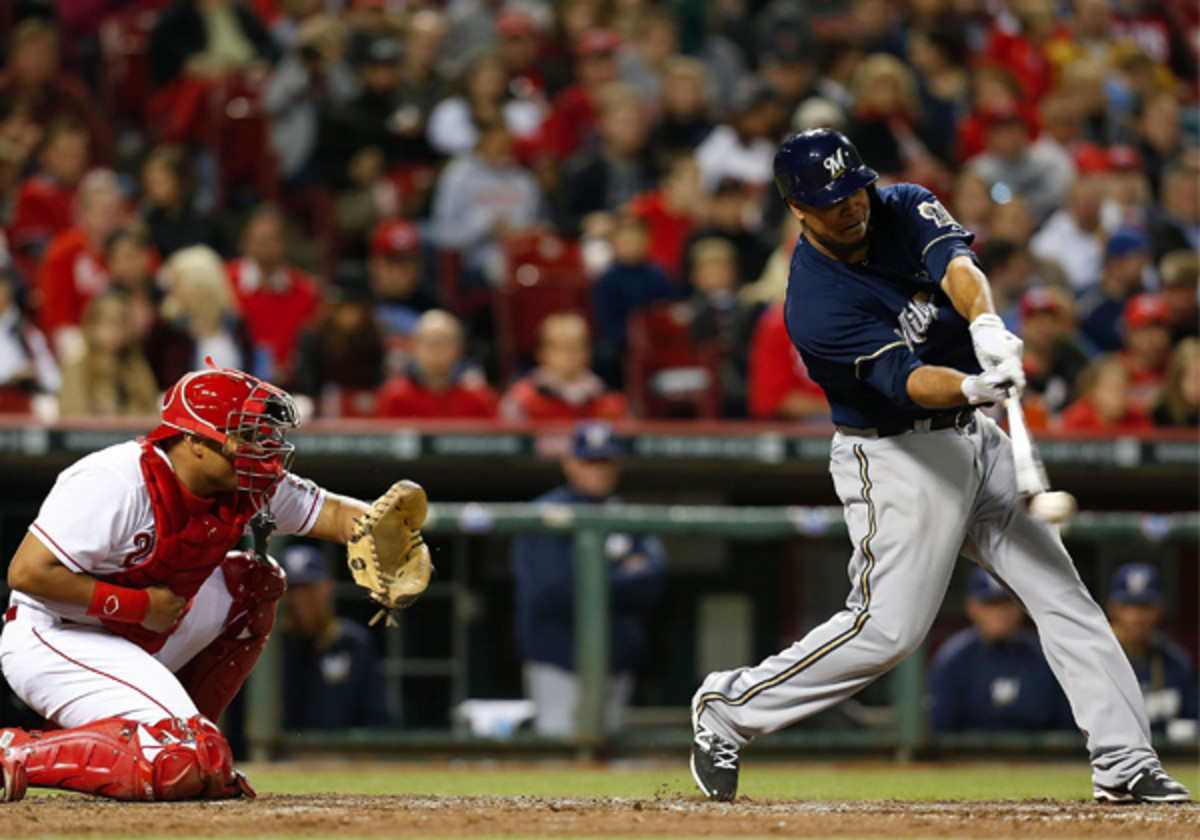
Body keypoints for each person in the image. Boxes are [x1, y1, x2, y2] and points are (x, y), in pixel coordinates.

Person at [689, 129, 1190, 804]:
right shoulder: (815, 303)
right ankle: (730, 706)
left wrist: (984, 323)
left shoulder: (898, 203)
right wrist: (971, 385)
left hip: (973, 440)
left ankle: (1124, 761)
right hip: (896, 454)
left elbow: (954, 263)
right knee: (887, 631)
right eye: (833, 202)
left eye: (854, 190)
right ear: (799, 210)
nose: (853, 207)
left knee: (1063, 595)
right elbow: (906, 379)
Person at [0, 362, 420, 801]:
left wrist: (384, 532)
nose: (263, 448)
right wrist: (140, 606)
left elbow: (331, 513)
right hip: (55, 636)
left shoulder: (247, 480)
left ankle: (190, 744)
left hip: (140, 633)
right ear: (196, 441)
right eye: (247, 435)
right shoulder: (115, 480)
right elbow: (27, 573)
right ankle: (20, 752)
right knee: (189, 757)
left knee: (255, 582)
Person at [509, 420, 667, 737]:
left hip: (616, 657)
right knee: (560, 752)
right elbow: (555, 590)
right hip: (558, 657)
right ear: (570, 463)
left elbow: (654, 581)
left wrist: (595, 579)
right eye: (590, 462)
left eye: (606, 462)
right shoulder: (547, 513)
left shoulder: (625, 514)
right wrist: (622, 574)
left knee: (609, 761)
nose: (599, 471)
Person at [927, 568, 1073, 733]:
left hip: (1036, 759)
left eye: (1006, 603)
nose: (1000, 614)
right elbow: (940, 733)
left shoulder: (1045, 658)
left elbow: (1065, 730)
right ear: (972, 607)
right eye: (990, 605)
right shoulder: (952, 660)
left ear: (1020, 606)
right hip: (967, 759)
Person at [279, 543, 393, 731]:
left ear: (326, 588)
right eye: (292, 590)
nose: (299, 599)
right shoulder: (270, 648)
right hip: (282, 757)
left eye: (308, 589)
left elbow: (378, 719)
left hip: (344, 756)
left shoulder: (352, 643)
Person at [1105, 564, 1198, 740]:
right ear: (1113, 608)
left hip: (1166, 761)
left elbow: (1193, 719)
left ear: (1159, 609)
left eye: (1146, 606)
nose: (1138, 616)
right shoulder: (1095, 659)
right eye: (1129, 606)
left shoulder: (1175, 663)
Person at [57, 290, 160, 420]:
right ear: (92, 326)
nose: (115, 330)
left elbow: (152, 417)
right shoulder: (76, 366)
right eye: (108, 321)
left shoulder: (137, 368)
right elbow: (72, 418)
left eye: (121, 322)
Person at [376, 310, 496, 419]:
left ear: (459, 349)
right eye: (430, 343)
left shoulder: (479, 399)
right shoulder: (394, 396)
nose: (436, 350)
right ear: (414, 347)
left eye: (444, 342)